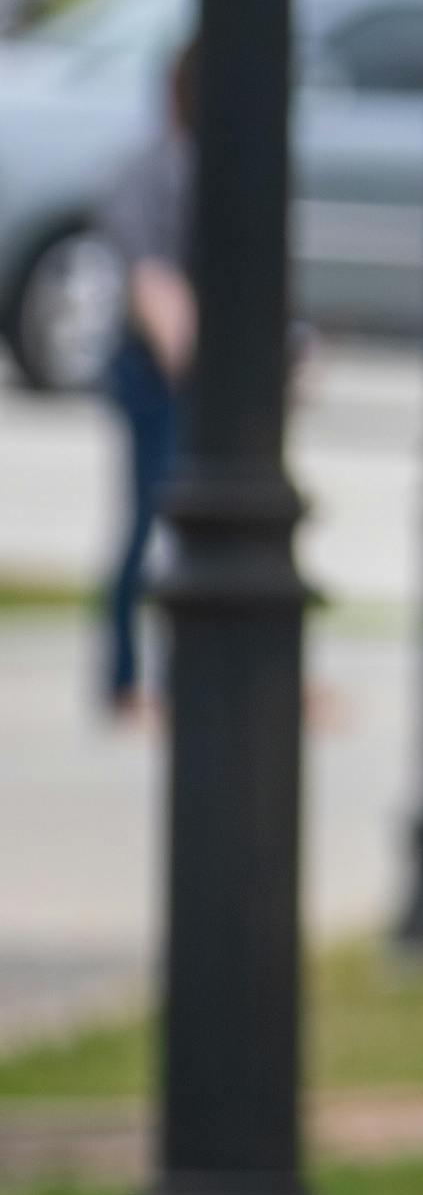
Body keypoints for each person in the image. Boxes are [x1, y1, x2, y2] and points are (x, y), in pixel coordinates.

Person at [92, 47, 191, 727]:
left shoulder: (184, 167)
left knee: (169, 527)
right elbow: (152, 283)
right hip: (159, 373)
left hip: (187, 371)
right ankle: (128, 678)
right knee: (149, 522)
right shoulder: (156, 172)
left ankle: (162, 675)